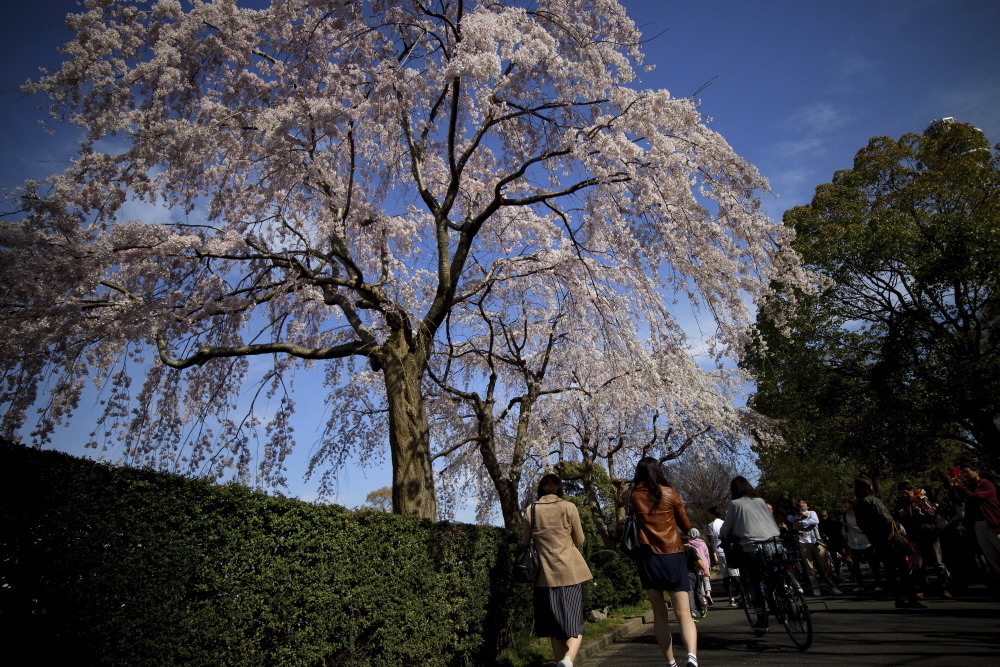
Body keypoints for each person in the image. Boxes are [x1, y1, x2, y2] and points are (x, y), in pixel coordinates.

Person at [629, 457, 699, 667]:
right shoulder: (669, 493)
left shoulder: (632, 496)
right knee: (683, 613)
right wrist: (690, 530)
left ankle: (670, 662)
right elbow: (684, 523)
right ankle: (692, 657)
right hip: (673, 554)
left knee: (659, 614)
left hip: (649, 557)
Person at [521, 474, 593, 667]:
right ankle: (568, 660)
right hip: (570, 573)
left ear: (541, 490)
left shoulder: (531, 510)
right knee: (574, 624)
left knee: (555, 627)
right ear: (559, 489)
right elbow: (580, 540)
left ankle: (562, 662)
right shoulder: (569, 507)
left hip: (544, 576)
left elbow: (525, 541)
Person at [853, 476, 925, 609]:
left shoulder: (857, 503)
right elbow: (887, 519)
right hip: (889, 538)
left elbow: (861, 524)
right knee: (903, 569)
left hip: (875, 540)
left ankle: (898, 599)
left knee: (889, 570)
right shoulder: (873, 501)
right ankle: (910, 598)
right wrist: (897, 526)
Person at [719, 476, 780, 631]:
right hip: (774, 544)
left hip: (752, 547)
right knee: (775, 575)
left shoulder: (735, 504)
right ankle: (785, 599)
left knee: (755, 581)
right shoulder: (760, 501)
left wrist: (724, 535)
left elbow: (726, 528)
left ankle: (761, 618)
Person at [894, 481, 953, 597]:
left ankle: (946, 586)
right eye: (901, 493)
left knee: (938, 562)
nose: (903, 495)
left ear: (911, 491)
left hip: (930, 533)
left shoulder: (922, 499)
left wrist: (923, 506)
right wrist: (908, 510)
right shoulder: (901, 504)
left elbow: (933, 514)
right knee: (918, 564)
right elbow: (897, 517)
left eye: (905, 492)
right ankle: (921, 587)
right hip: (914, 535)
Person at [947, 466, 1000, 578]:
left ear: (976, 472)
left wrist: (959, 487)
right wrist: (953, 487)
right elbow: (957, 500)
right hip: (977, 524)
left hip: (992, 522)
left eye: (967, 472)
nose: (964, 474)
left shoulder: (986, 484)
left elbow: (975, 496)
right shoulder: (967, 487)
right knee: (990, 554)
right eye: (962, 472)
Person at [787, 499, 843, 596]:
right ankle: (815, 587)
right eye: (800, 504)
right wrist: (799, 516)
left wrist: (803, 522)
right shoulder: (793, 516)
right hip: (803, 541)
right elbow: (792, 522)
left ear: (807, 506)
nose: (802, 504)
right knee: (810, 567)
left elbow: (815, 521)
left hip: (816, 541)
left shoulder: (812, 513)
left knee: (824, 564)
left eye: (804, 503)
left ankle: (831, 585)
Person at [841, 498, 882, 592]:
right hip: (853, 542)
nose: (844, 506)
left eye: (846, 504)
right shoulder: (844, 516)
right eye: (843, 504)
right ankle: (860, 585)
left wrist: (853, 527)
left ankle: (879, 583)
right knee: (855, 565)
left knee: (872, 564)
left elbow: (866, 528)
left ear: (851, 504)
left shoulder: (859, 514)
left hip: (865, 541)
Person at [706, 505, 741, 607]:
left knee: (725, 576)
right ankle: (741, 595)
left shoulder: (710, 525)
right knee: (734, 574)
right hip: (730, 550)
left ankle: (731, 598)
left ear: (712, 514)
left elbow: (712, 540)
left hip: (719, 551)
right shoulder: (725, 523)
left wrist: (714, 553)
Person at [682, 532, 709, 620]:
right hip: (692, 572)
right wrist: (704, 569)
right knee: (697, 591)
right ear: (688, 540)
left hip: (683, 573)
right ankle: (701, 609)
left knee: (689, 593)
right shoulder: (691, 549)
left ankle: (692, 611)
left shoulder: (678, 550)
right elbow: (697, 560)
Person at [687, 528, 713, 608]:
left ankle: (703, 597)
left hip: (696, 563)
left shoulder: (690, 544)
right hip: (704, 562)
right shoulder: (702, 543)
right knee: (706, 579)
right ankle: (708, 593)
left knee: (699, 582)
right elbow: (707, 554)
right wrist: (708, 564)